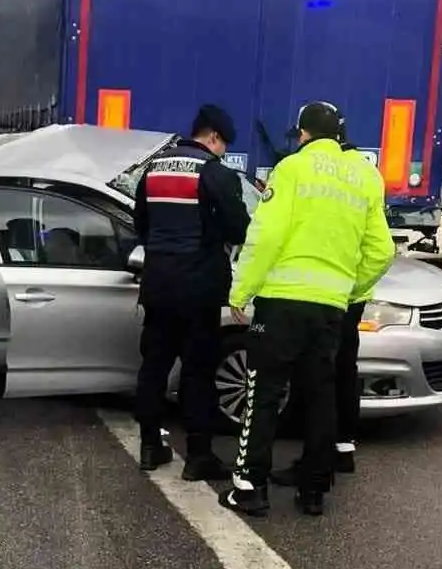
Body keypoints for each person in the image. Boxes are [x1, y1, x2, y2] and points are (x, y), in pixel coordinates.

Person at [224, 101, 395, 518]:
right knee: (321, 397)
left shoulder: (292, 169)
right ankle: (314, 490)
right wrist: (349, 291)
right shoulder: (366, 178)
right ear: (339, 134)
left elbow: (266, 236)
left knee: (263, 393)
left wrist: (240, 292)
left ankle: (250, 487)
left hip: (281, 303)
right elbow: (382, 251)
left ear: (303, 134)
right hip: (330, 310)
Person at [133, 104, 250, 481]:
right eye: (224, 144)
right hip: (199, 289)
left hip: (158, 285)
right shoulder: (215, 174)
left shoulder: (152, 169)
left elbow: (141, 225)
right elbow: (239, 229)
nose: (223, 151)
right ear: (214, 137)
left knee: (153, 366)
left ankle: (150, 446)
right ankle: (199, 457)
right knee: (198, 373)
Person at [271, 119, 378, 487]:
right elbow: (379, 248)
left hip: (325, 296)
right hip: (349, 295)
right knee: (342, 372)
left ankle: (316, 463)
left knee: (317, 381)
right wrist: (355, 286)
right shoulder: (364, 174)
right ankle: (341, 450)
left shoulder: (322, 172)